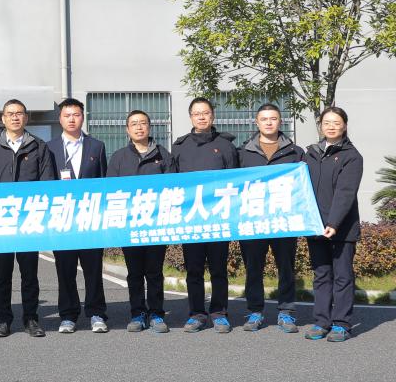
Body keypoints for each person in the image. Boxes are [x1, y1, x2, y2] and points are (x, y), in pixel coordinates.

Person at [0, 98, 54, 338]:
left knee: (29, 274)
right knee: (2, 274)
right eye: (10, 113)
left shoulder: (38, 146)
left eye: (19, 113)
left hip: (29, 221)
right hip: (1, 221)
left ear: (26, 117)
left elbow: (47, 183)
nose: (15, 117)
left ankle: (31, 318)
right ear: (3, 118)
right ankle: (3, 319)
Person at [171, 98, 240, 334]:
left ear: (213, 116)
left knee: (219, 269)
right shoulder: (180, 147)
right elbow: (173, 184)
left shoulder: (226, 145)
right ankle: (197, 314)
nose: (201, 117)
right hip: (192, 219)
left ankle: (219, 313)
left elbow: (234, 182)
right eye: (197, 113)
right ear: (191, 117)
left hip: (218, 218)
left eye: (206, 113)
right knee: (194, 270)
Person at [106, 110, 176, 333]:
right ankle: (137, 313)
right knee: (134, 272)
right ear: (127, 130)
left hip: (156, 225)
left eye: (143, 123)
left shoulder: (163, 155)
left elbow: (173, 188)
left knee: (154, 272)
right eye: (134, 124)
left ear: (149, 127)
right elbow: (111, 191)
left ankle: (156, 313)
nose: (139, 127)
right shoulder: (119, 157)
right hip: (130, 226)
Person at [238, 104, 305, 333]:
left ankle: (286, 312)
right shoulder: (243, 152)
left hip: (284, 221)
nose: (269, 122)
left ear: (280, 121)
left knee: (286, 267)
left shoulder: (295, 152)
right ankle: (255, 311)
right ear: (256, 122)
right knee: (253, 268)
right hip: (252, 221)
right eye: (264, 119)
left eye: (273, 118)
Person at [47, 97, 109, 334]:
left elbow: (103, 183)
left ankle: (96, 313)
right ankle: (68, 315)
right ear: (60, 119)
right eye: (67, 115)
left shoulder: (96, 146)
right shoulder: (49, 148)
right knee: (65, 270)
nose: (72, 119)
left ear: (83, 117)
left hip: (90, 219)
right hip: (62, 220)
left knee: (93, 269)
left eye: (76, 115)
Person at [302, 107, 363, 343]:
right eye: (326, 122)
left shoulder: (351, 156)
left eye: (336, 122)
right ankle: (321, 322)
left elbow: (345, 193)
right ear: (320, 125)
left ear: (344, 126)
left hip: (341, 228)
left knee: (342, 276)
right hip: (315, 225)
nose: (331, 126)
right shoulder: (310, 153)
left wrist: (334, 223)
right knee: (321, 275)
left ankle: (341, 324)